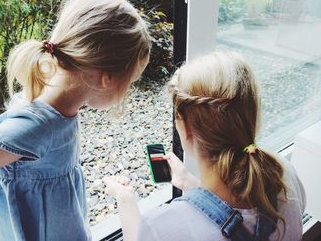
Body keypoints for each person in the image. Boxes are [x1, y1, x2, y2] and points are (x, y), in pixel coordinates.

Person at [0, 0, 150, 241]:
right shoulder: (36, 125)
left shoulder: (63, 106)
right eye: (130, 82)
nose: (128, 91)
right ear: (106, 79)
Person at [104, 51, 306, 241]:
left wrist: (125, 199)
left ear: (186, 129)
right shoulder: (284, 173)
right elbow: (236, 215)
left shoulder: (164, 227)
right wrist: (189, 183)